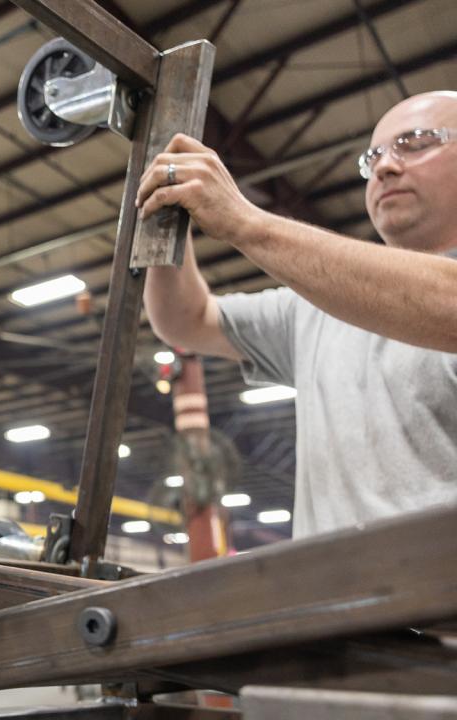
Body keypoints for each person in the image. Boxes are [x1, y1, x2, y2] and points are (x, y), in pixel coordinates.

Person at [138, 90, 457, 538]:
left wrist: (246, 222)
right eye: (373, 157)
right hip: (329, 599)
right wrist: (164, 216)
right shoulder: (315, 311)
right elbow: (185, 320)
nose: (384, 166)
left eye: (417, 143)